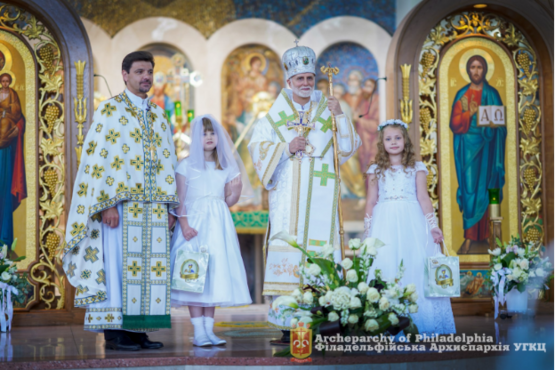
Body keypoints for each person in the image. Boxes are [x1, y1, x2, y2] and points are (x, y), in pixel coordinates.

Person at [62, 51, 179, 351]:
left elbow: (168, 161)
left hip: (153, 209)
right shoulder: (109, 111)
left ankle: (139, 331)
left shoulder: (158, 115)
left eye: (150, 71)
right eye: (140, 71)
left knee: (148, 271)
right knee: (118, 270)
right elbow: (98, 160)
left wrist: (170, 208)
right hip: (121, 209)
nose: (146, 77)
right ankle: (114, 334)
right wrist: (106, 205)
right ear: (125, 75)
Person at [248, 43, 361, 344]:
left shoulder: (329, 108)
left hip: (321, 197)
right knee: (290, 250)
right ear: (289, 82)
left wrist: (340, 117)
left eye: (310, 78)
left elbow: (348, 149)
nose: (306, 83)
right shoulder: (274, 116)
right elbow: (256, 148)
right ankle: (288, 325)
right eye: (300, 79)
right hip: (287, 199)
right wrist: (285, 148)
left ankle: (323, 320)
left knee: (320, 253)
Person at [363, 119, 456, 335]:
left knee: (415, 264)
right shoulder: (375, 170)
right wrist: (367, 231)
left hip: (412, 221)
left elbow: (423, 198)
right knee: (386, 264)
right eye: (388, 139)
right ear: (382, 143)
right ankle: (387, 322)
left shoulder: (417, 167)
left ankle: (421, 322)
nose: (393, 142)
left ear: (405, 140)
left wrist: (433, 225)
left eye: (398, 138)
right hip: (384, 221)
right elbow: (371, 200)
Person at [170, 115, 252, 346]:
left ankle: (209, 329)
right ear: (195, 138)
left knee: (213, 274)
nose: (209, 137)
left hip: (218, 225)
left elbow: (228, 200)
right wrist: (184, 225)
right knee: (194, 274)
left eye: (212, 133)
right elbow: (180, 199)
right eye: (203, 133)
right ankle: (198, 331)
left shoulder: (224, 166)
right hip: (194, 224)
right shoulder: (185, 165)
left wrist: (235, 192)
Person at [450, 55, 506, 254]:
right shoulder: (463, 95)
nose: (476, 71)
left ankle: (489, 237)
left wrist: (493, 128)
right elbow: (455, 124)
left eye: (479, 67)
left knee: (486, 191)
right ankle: (469, 238)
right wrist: (469, 114)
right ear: (467, 69)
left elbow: (500, 126)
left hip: (488, 150)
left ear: (484, 70)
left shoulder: (492, 94)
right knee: (470, 191)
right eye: (472, 67)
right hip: (467, 150)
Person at [0, 72, 26, 249]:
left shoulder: (14, 95)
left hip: (7, 149)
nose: (5, 83)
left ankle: (5, 240)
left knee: (5, 190)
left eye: (7, 80)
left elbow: (20, 118)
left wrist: (17, 127)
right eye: (3, 81)